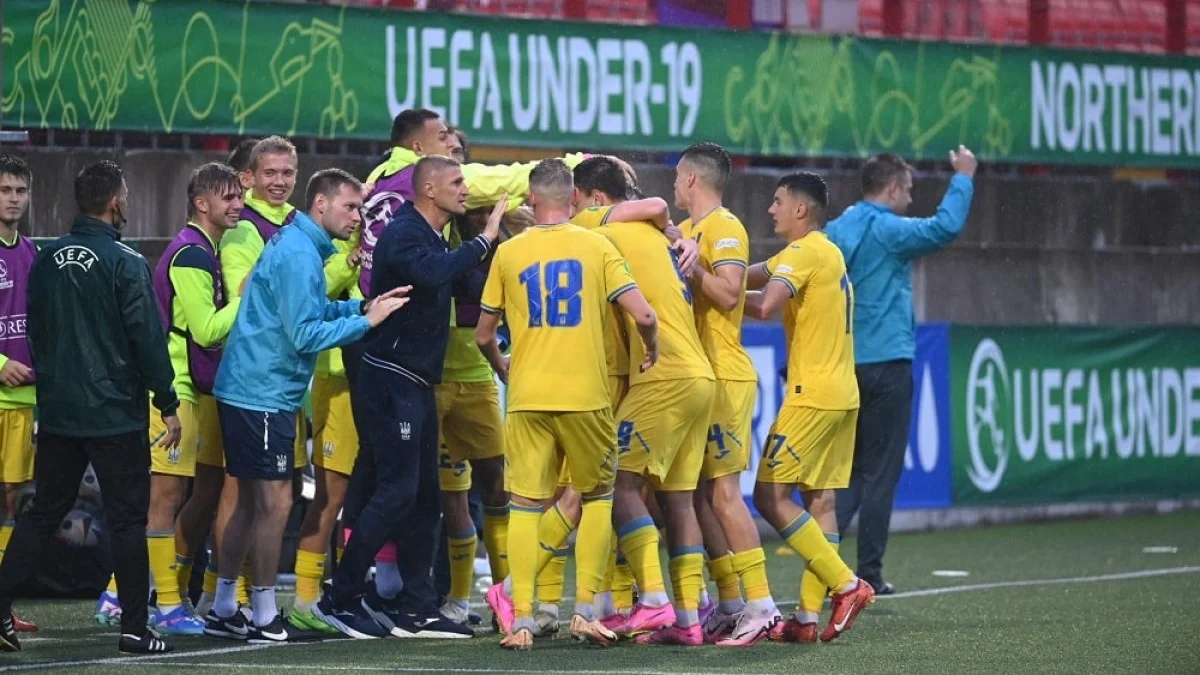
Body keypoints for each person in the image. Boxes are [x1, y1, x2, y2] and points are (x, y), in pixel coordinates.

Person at [203, 169, 408, 643]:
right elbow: (303, 334)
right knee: (275, 504)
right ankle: (262, 613)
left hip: (249, 387)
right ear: (321, 204)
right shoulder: (299, 253)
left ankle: (223, 604)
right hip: (264, 391)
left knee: (252, 505)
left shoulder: (298, 243)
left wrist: (358, 307)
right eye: (350, 208)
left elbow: (307, 312)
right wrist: (367, 321)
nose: (359, 218)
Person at [475, 159, 660, 651]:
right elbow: (642, 312)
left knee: (525, 505)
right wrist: (653, 343)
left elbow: (484, 334)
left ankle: (521, 621)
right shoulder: (597, 245)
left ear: (532, 201)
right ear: (573, 198)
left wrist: (502, 366)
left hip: (529, 396)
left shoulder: (509, 253)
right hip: (586, 398)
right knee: (598, 497)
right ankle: (584, 611)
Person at [314, 157, 502, 640]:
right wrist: (483, 242)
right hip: (389, 378)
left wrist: (506, 262)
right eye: (457, 182)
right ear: (430, 189)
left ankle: (416, 607)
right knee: (396, 490)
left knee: (423, 497)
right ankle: (340, 596)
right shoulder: (403, 232)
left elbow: (465, 285)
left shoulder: (436, 235)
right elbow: (435, 272)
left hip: (416, 381)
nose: (466, 190)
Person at [0, 161, 182, 655]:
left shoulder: (45, 257)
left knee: (42, 513)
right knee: (127, 519)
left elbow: (37, 328)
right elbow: (147, 340)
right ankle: (135, 629)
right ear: (116, 202)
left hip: (59, 411)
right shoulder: (125, 262)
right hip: (114, 412)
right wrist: (167, 401)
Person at [95, 164, 246, 636]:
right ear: (202, 203)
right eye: (229, 198)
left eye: (240, 196)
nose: (238, 205)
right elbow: (206, 329)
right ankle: (166, 604)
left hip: (191, 388)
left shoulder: (205, 249)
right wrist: (248, 295)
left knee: (176, 494)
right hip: (175, 389)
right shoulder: (191, 256)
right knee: (164, 497)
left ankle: (120, 595)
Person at [827, 148, 976, 595]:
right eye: (908, 190)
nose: (910, 199)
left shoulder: (836, 229)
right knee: (880, 474)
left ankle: (824, 564)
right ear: (891, 188)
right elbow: (943, 227)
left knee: (845, 473)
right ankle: (868, 573)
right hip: (887, 362)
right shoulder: (888, 228)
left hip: (844, 364)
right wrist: (963, 178)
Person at [744, 171, 876, 643]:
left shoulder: (802, 253)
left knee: (769, 497)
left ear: (801, 209)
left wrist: (708, 292)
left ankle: (846, 585)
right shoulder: (825, 252)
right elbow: (749, 273)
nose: (770, 210)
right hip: (843, 395)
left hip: (813, 396)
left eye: (777, 202)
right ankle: (804, 618)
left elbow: (763, 304)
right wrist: (702, 266)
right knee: (821, 501)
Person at [195, 136, 309, 619]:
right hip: (252, 378)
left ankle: (224, 597)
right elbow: (246, 292)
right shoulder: (244, 229)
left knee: (260, 492)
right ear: (250, 178)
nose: (279, 182)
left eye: (287, 173)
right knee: (239, 491)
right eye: (270, 174)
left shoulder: (298, 224)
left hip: (287, 378)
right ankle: (229, 595)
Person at [675, 142, 781, 643]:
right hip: (697, 376)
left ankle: (763, 604)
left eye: (678, 177)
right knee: (697, 495)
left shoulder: (723, 227)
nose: (674, 186)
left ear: (693, 179)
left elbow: (729, 293)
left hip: (725, 375)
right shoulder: (690, 231)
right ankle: (731, 601)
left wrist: (692, 267)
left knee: (722, 493)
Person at [0, 155, 38, 634]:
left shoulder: (32, 252)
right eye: (5, 189)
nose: (12, 199)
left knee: (10, 500)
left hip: (26, 402)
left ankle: (1, 604)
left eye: (19, 191)